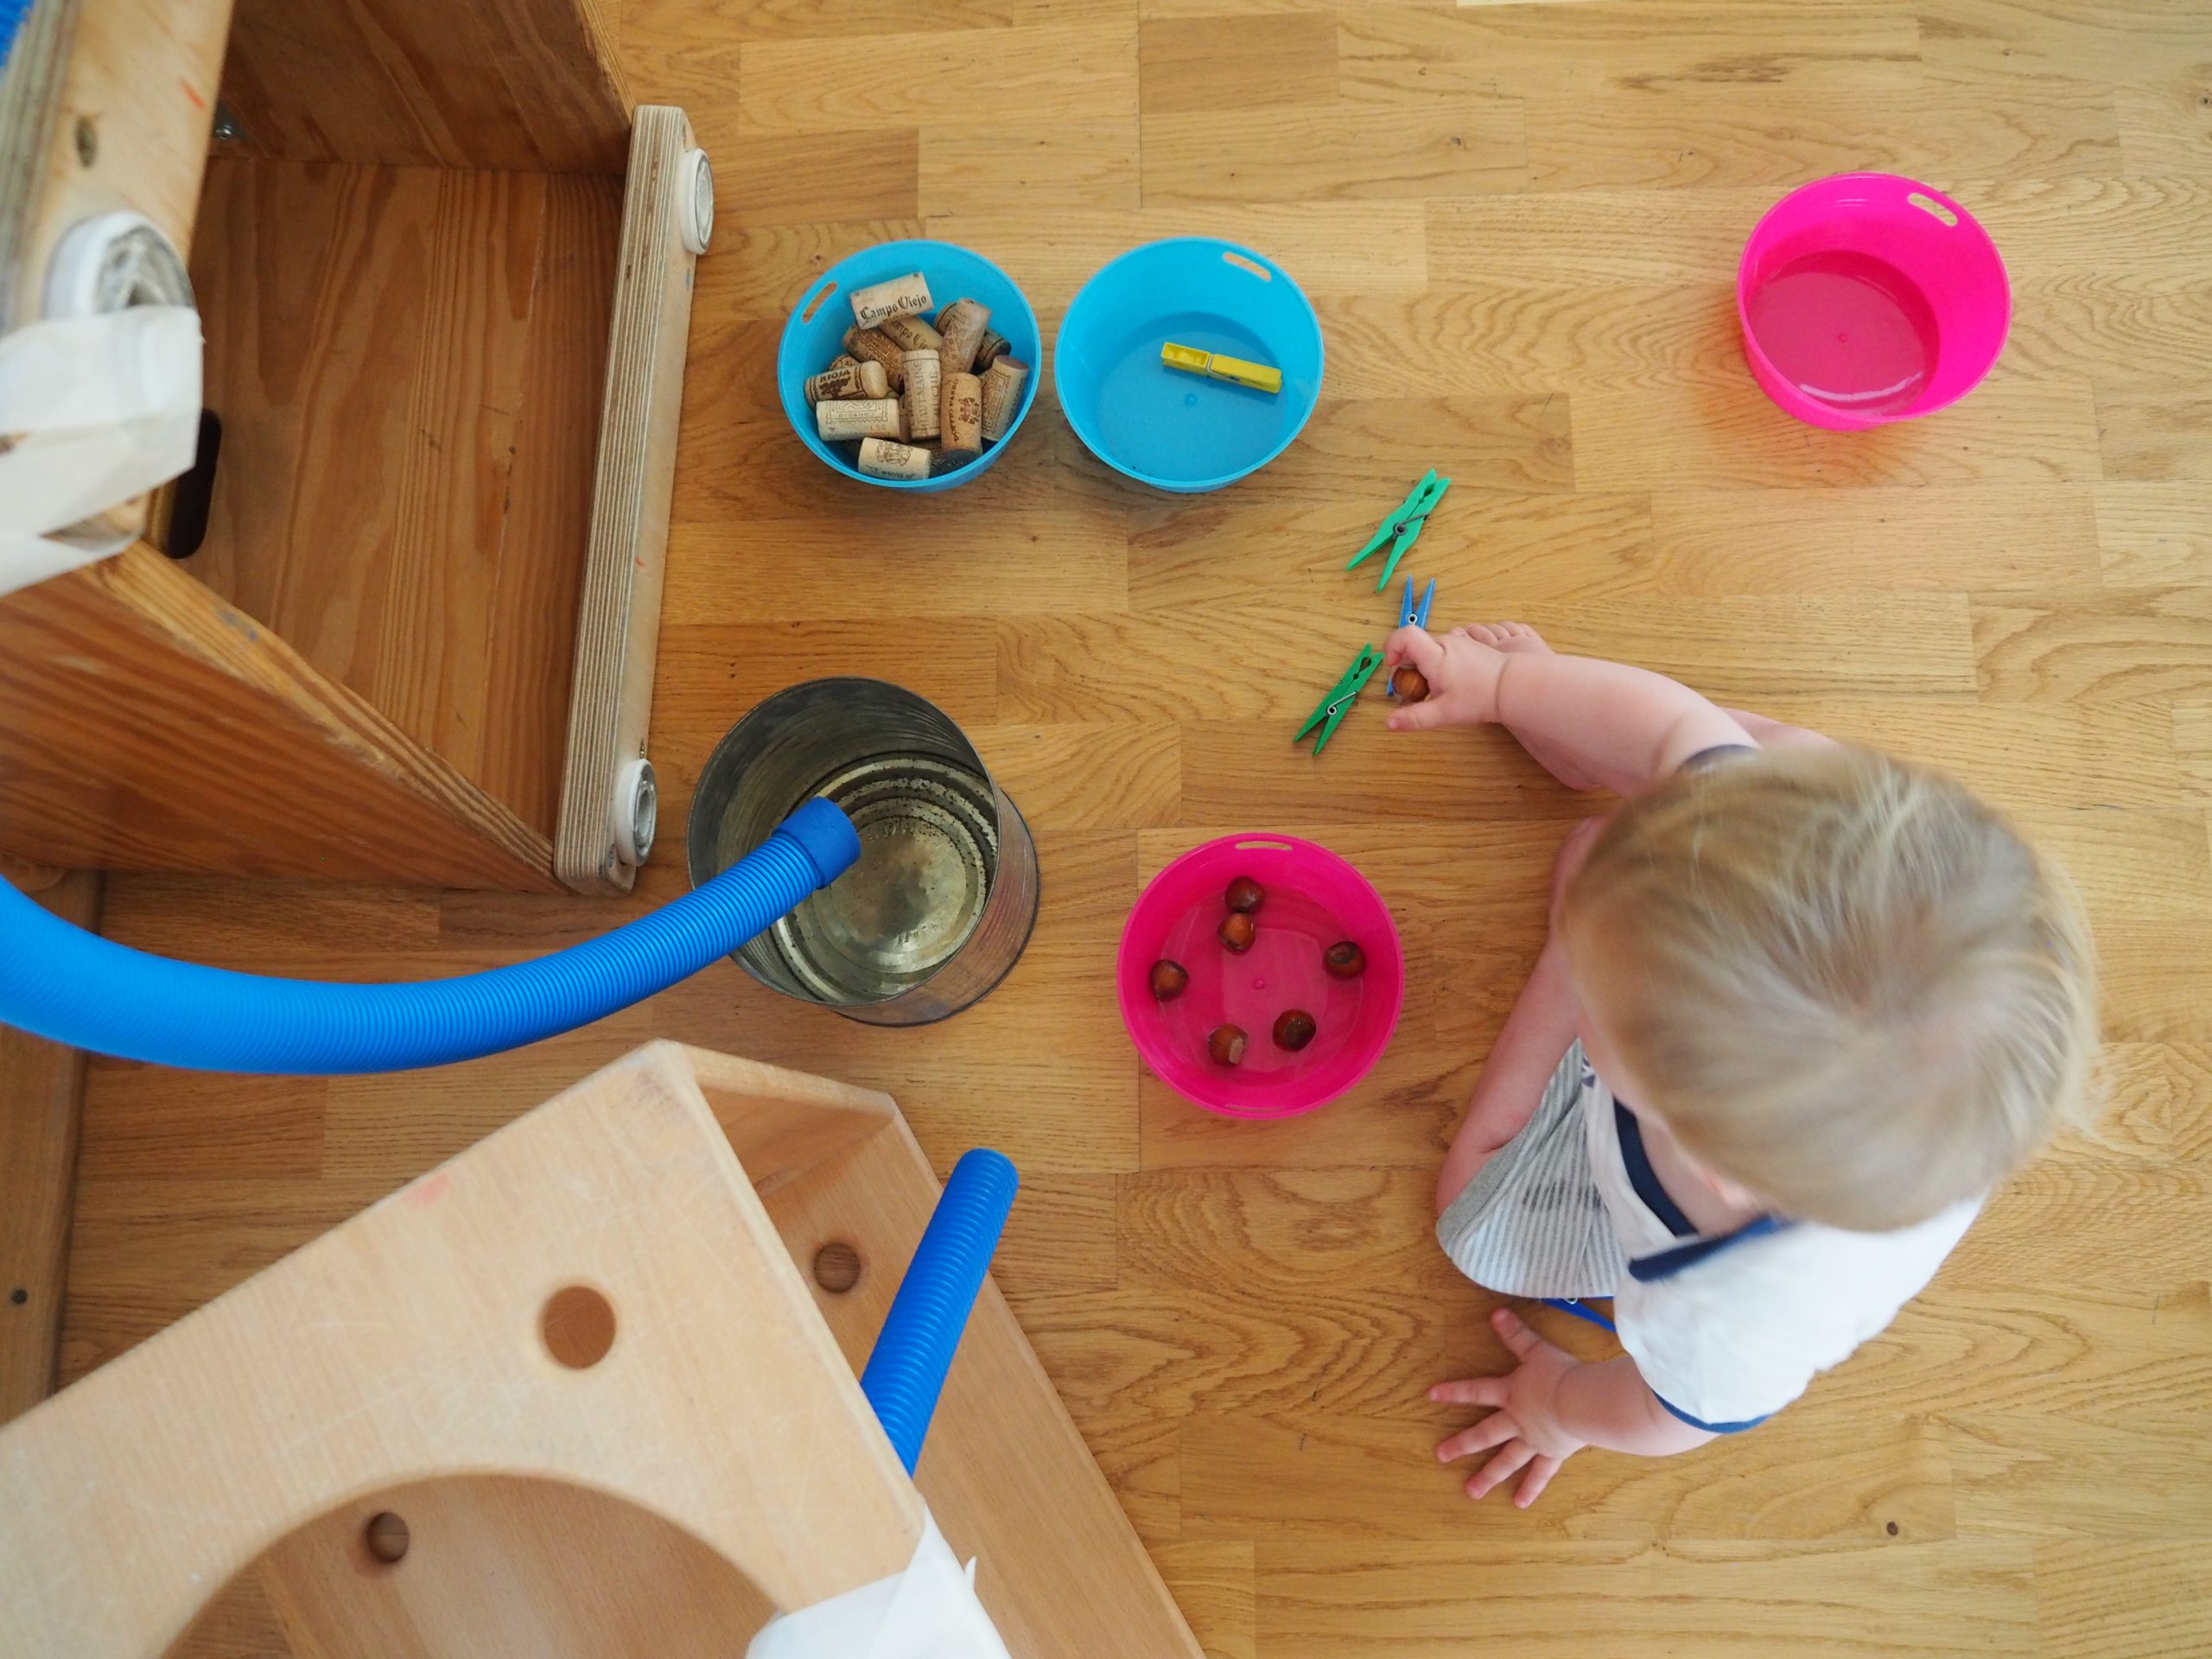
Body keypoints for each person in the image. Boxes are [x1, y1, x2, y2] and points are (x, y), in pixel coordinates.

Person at [1384, 620, 2096, 1510]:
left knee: (1471, 1210)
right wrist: (1505, 686)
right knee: (1774, 763)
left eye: (1605, 995)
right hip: (1768, 1049)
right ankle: (1606, 794)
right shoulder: (1777, 857)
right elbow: (1674, 729)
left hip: (1684, 1213)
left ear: (1703, 1149)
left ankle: (1591, 922)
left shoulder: (1727, 1315)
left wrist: (1557, 1408)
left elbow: (1669, 1416)